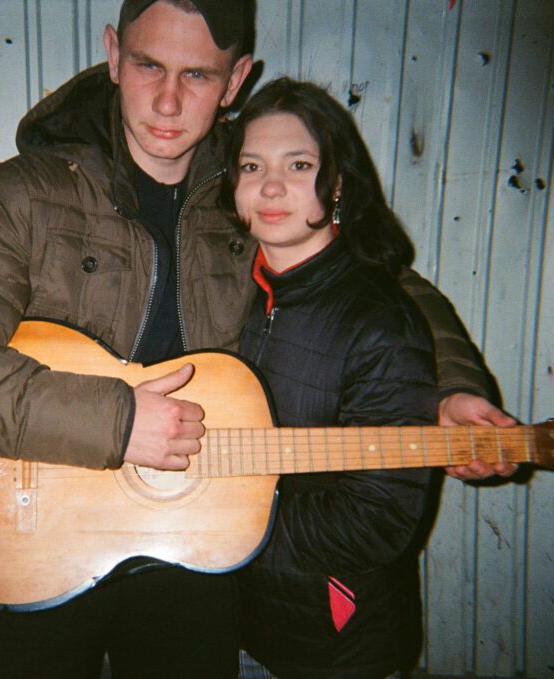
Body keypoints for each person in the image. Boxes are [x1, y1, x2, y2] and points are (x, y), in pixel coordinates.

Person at [0, 1, 512, 676]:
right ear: (114, 56)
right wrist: (116, 422)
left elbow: (377, 279)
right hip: (28, 539)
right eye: (149, 64)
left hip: (188, 553)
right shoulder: (27, 195)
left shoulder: (246, 190)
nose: (169, 100)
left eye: (200, 76)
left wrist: (453, 384)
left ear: (237, 79)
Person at [222, 77, 443, 677]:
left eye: (298, 164)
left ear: (338, 182)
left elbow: (378, 516)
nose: (270, 186)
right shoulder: (230, 294)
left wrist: (224, 521)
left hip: (333, 644)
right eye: (251, 165)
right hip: (234, 623)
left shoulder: (379, 322)